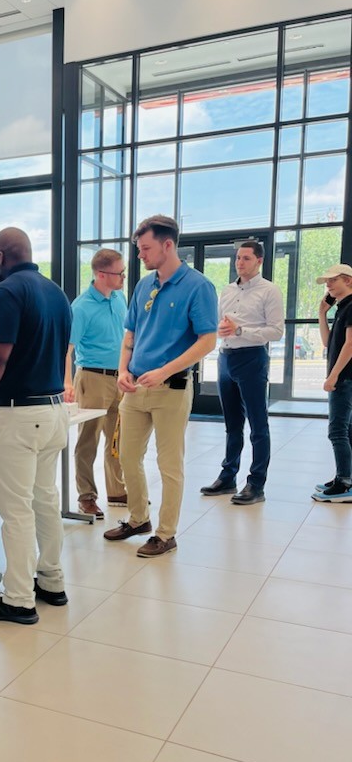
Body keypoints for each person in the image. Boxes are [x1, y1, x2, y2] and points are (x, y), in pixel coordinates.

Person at [0, 227, 72, 625]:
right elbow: (36, 349)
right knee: (45, 500)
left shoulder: (5, 293)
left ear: (1, 257)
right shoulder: (56, 292)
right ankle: (52, 582)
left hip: (18, 418)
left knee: (17, 512)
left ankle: (19, 599)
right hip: (54, 411)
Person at [104, 214, 218, 558]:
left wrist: (164, 370)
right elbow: (131, 334)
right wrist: (122, 370)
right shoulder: (144, 285)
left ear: (168, 245)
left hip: (172, 388)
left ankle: (166, 534)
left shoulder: (198, 286)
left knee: (169, 465)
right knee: (126, 457)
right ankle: (138, 519)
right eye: (139, 249)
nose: (140, 255)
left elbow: (207, 340)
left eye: (145, 248)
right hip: (135, 388)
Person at [200, 239, 284, 505]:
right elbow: (220, 324)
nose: (240, 262)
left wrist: (240, 331)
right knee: (232, 424)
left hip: (252, 358)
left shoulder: (269, 290)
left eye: (246, 258)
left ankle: (256, 484)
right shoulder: (226, 290)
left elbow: (276, 331)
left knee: (258, 425)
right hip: (226, 358)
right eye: (238, 258)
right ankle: (228, 477)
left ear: (259, 261)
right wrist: (222, 330)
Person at [64, 248, 127, 519]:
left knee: (118, 438)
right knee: (88, 439)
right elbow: (67, 348)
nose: (123, 277)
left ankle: (116, 490)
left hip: (119, 378)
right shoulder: (81, 306)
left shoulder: (120, 298)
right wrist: (67, 382)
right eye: (119, 273)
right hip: (92, 377)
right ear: (102, 274)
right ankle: (86, 496)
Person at [312, 263, 352, 502]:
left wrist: (334, 375)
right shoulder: (343, 307)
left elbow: (350, 345)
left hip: (345, 378)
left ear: (347, 280)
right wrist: (321, 313)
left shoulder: (351, 306)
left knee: (337, 431)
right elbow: (328, 343)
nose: (328, 285)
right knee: (346, 430)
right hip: (344, 377)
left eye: (332, 280)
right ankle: (344, 477)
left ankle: (344, 481)